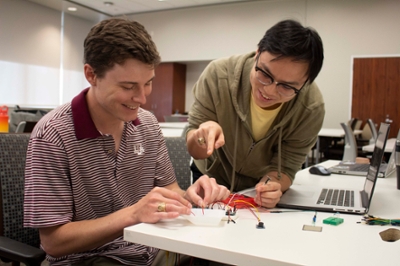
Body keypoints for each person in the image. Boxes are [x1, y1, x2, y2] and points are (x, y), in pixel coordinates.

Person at [23, 18, 230, 266]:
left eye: (148, 83)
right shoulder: (53, 134)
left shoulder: (148, 124)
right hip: (87, 259)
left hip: (151, 249)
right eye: (128, 86)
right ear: (91, 75)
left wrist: (191, 195)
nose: (142, 98)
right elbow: (54, 243)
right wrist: (133, 214)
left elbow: (170, 190)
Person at [186, 19, 325, 209]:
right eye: (264, 74)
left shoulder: (310, 108)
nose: (269, 91)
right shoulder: (218, 76)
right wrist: (202, 138)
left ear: (305, 83)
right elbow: (195, 150)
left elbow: (285, 167)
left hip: (255, 188)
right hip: (211, 180)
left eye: (286, 87)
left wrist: (271, 187)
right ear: (258, 53)